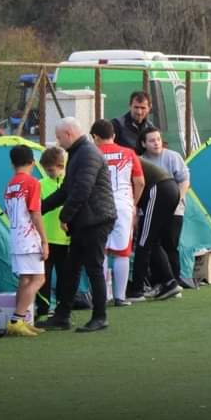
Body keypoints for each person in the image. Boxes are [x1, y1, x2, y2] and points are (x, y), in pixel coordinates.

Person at [36, 117, 117, 333]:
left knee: (93, 268)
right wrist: (38, 208)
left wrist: (65, 216)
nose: (57, 141)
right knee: (72, 269)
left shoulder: (87, 154)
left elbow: (82, 189)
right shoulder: (78, 154)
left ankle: (100, 316)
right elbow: (66, 190)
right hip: (87, 220)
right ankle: (62, 316)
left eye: (59, 136)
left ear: (69, 134)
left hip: (96, 220)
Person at [90, 119, 145, 307]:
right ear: (113, 135)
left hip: (98, 206)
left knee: (102, 251)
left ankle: (103, 296)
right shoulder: (129, 153)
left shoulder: (91, 154)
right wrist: (133, 203)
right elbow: (140, 182)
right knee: (122, 252)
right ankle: (120, 297)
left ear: (95, 137)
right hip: (123, 205)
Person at [3, 146, 50, 337]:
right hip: (29, 238)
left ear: (12, 164)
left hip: (15, 237)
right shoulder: (32, 183)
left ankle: (20, 320)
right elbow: (35, 212)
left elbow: (7, 211)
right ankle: (17, 318)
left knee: (25, 279)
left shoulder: (10, 184)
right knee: (39, 279)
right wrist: (44, 241)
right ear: (32, 162)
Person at [128, 154, 184, 301]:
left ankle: (137, 291)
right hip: (169, 189)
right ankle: (168, 282)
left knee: (143, 242)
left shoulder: (117, 157)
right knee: (153, 241)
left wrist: (132, 207)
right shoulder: (126, 155)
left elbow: (139, 183)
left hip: (159, 189)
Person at [142, 128, 189, 284]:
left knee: (170, 244)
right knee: (153, 245)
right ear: (143, 143)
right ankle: (158, 281)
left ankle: (174, 279)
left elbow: (184, 181)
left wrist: (177, 201)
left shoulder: (172, 157)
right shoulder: (142, 160)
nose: (156, 143)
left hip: (174, 209)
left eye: (158, 139)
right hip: (151, 210)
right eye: (151, 140)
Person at [35, 147, 69, 320]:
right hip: (46, 239)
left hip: (65, 239)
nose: (48, 173)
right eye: (45, 170)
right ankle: (43, 310)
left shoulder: (70, 183)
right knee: (44, 277)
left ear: (61, 166)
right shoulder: (40, 185)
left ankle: (62, 310)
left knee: (65, 277)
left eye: (50, 170)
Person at [112, 90, 155, 155]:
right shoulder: (116, 125)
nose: (139, 112)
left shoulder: (150, 127)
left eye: (143, 108)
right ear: (130, 106)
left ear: (149, 108)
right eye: (136, 107)